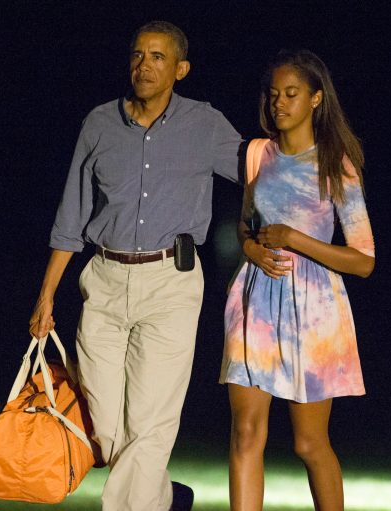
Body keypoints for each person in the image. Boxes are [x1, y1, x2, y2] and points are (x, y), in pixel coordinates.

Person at [28, 21, 275, 511]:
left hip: (170, 282)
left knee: (151, 425)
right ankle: (164, 499)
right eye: (138, 55)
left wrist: (267, 226)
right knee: (104, 430)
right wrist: (46, 295)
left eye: (158, 57)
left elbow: (261, 172)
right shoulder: (99, 124)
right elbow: (71, 216)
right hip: (104, 279)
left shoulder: (204, 124)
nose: (144, 66)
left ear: (181, 69)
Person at [219, 49, 375, 511]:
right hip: (255, 303)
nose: (279, 104)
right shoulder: (257, 154)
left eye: (291, 94)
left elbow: (364, 261)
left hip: (314, 309)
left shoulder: (335, 164)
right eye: (274, 95)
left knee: (309, 443)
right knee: (246, 432)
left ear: (315, 99)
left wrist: (294, 238)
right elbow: (246, 224)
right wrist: (251, 248)